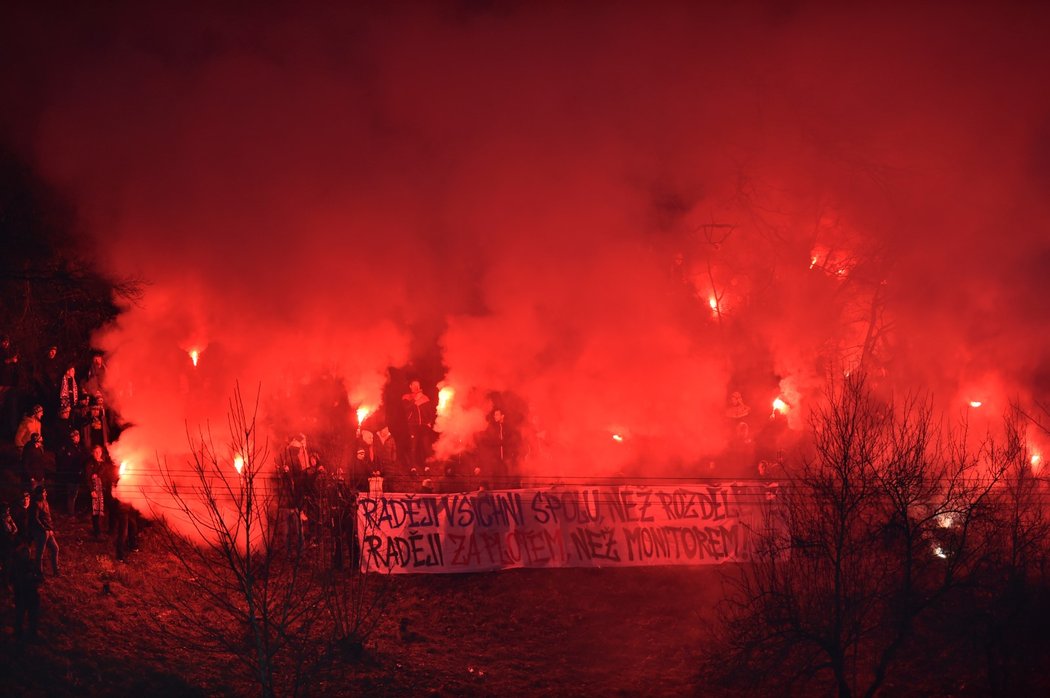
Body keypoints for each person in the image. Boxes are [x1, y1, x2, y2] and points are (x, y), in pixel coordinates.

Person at [401, 380, 435, 476]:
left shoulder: (425, 398)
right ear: (410, 386)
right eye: (414, 385)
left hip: (424, 426)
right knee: (413, 447)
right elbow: (406, 409)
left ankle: (427, 467)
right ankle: (413, 468)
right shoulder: (406, 397)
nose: (416, 387)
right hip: (412, 425)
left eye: (418, 385)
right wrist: (416, 399)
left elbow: (430, 411)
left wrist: (429, 422)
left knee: (426, 447)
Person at [28, 485, 59, 577]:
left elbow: (47, 516)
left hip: (48, 530)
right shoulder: (35, 504)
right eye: (44, 492)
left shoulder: (45, 501)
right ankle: (39, 573)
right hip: (41, 532)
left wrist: (51, 528)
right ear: (38, 494)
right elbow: (35, 518)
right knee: (40, 553)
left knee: (55, 549)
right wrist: (43, 528)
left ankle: (56, 570)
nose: (46, 493)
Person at [86, 444, 116, 537]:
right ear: (92, 453)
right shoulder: (90, 464)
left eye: (99, 452)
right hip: (96, 490)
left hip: (106, 490)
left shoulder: (104, 463)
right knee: (96, 511)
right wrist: (92, 490)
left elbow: (109, 475)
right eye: (95, 452)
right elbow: (88, 478)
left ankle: (111, 529)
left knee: (112, 509)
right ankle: (97, 531)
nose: (98, 454)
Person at [56, 429, 88, 515]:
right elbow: (67, 462)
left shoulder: (79, 446)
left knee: (75, 494)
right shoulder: (69, 448)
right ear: (72, 438)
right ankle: (71, 513)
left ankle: (73, 511)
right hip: (71, 475)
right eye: (75, 436)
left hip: (77, 475)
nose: (77, 438)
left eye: (78, 436)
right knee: (71, 495)